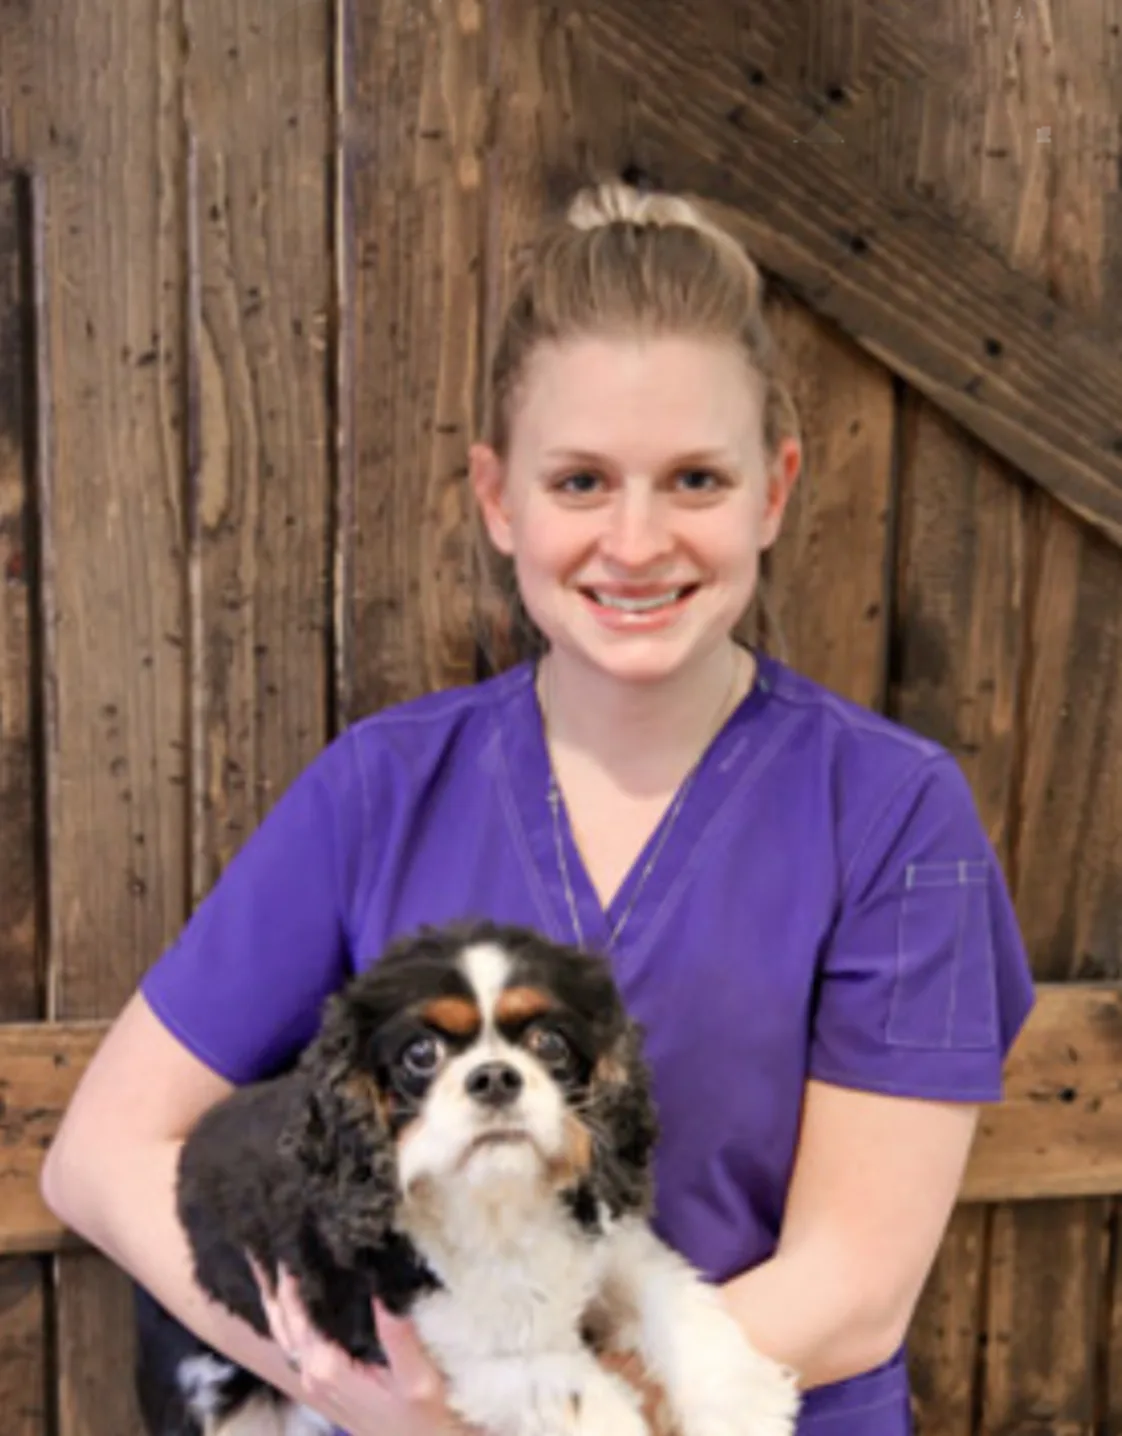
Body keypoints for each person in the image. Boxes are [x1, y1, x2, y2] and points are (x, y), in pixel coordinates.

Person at [41, 179, 1035, 1436]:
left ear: (774, 491)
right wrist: (351, 1386)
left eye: (694, 478)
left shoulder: (897, 814)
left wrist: (515, 1424)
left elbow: (852, 1292)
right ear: (498, 496)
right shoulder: (381, 788)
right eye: (579, 482)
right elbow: (102, 1158)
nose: (635, 540)